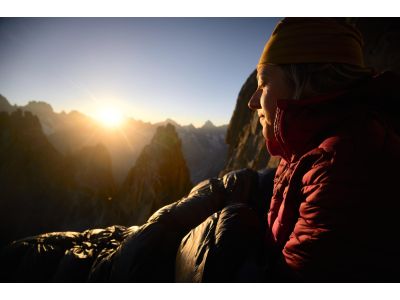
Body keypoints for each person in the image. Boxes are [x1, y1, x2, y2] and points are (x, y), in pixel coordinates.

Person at [247, 18, 400, 282]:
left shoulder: (343, 165)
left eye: (263, 84)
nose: (252, 102)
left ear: (305, 83)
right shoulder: (308, 145)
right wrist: (248, 187)